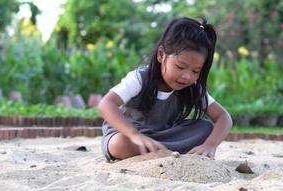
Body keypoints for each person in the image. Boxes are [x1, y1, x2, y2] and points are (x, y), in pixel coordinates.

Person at [98, 17, 232, 161]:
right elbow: (106, 104)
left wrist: (210, 145)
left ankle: (161, 150)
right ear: (161, 54)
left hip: (166, 135)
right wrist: (134, 135)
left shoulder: (192, 87)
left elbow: (224, 117)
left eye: (196, 71)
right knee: (120, 144)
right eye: (180, 67)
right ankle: (156, 149)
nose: (187, 76)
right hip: (130, 136)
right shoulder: (140, 78)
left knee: (205, 128)